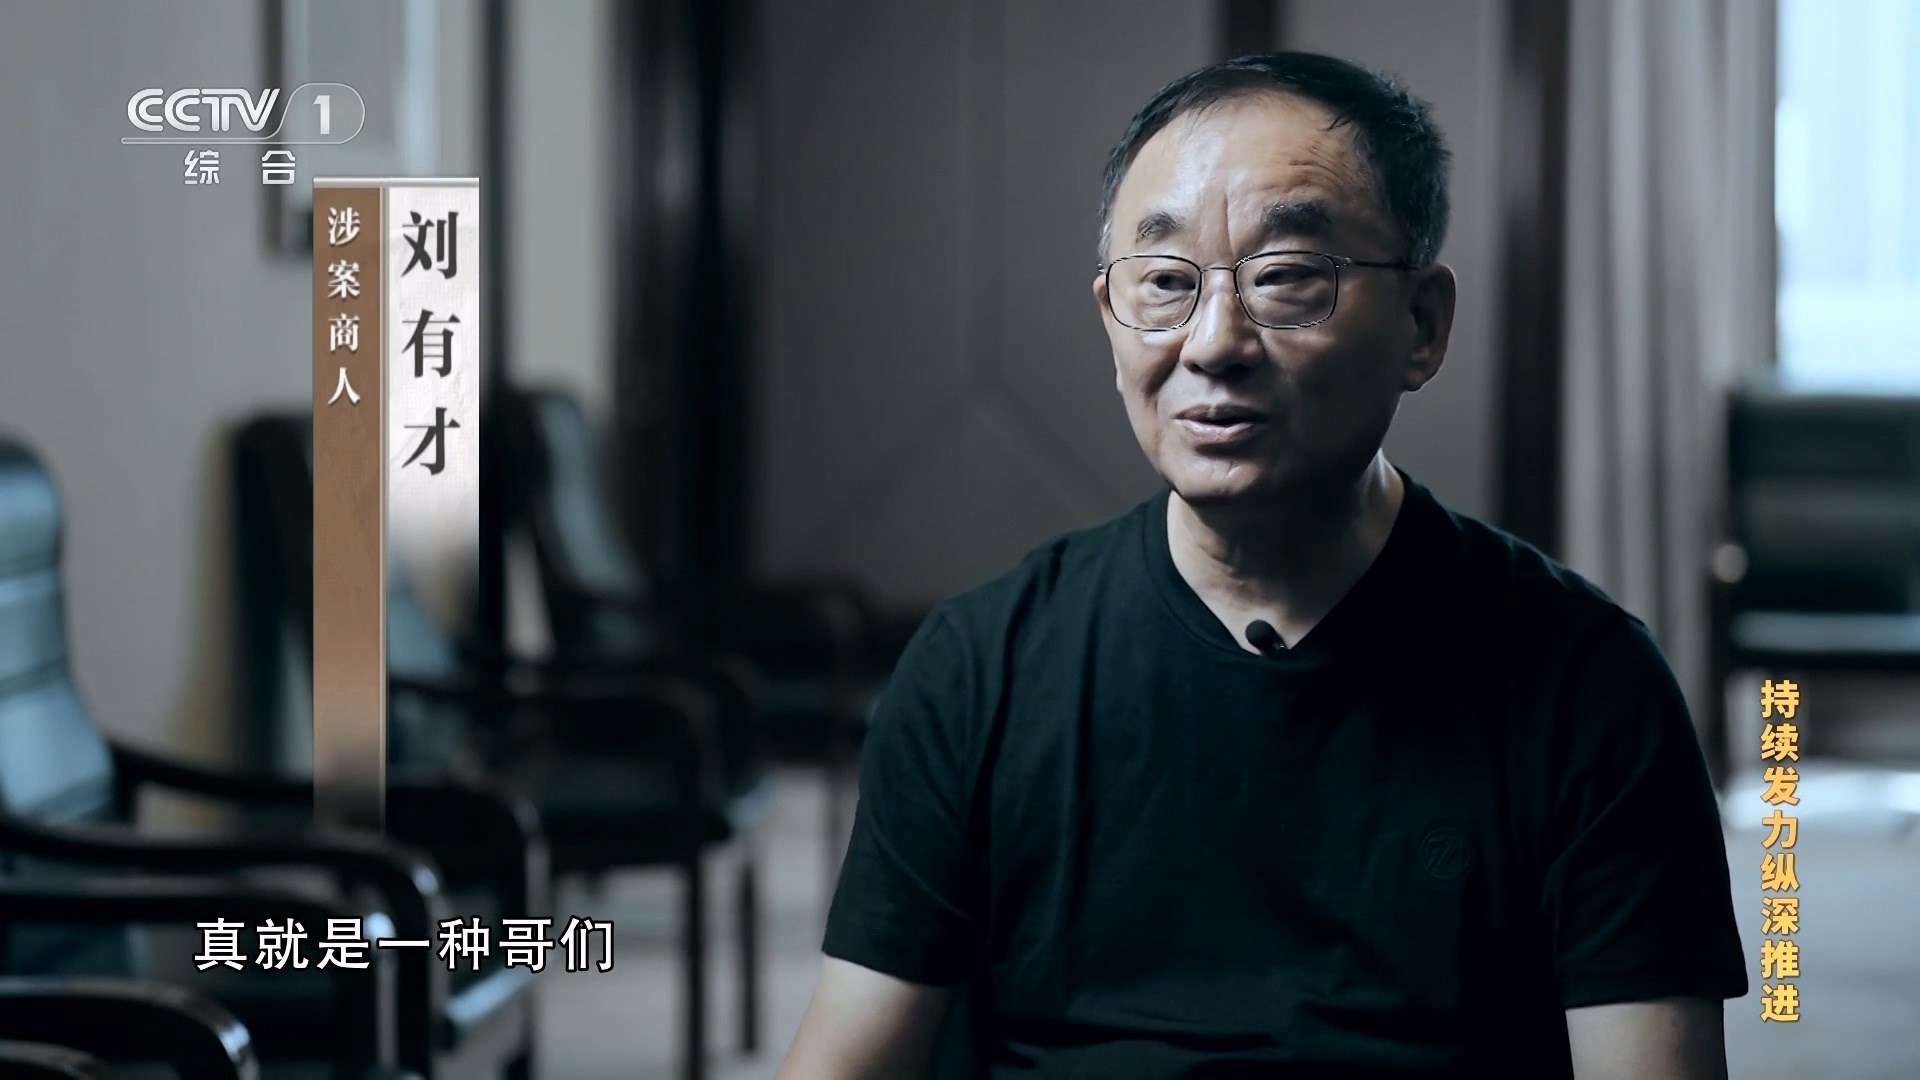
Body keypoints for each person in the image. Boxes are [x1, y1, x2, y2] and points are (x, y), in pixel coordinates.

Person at [778, 51, 1746, 1079]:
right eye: (1165, 283)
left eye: (1287, 279)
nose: (1214, 344)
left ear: (1422, 327)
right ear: (1110, 317)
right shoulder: (980, 670)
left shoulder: (1590, 685)